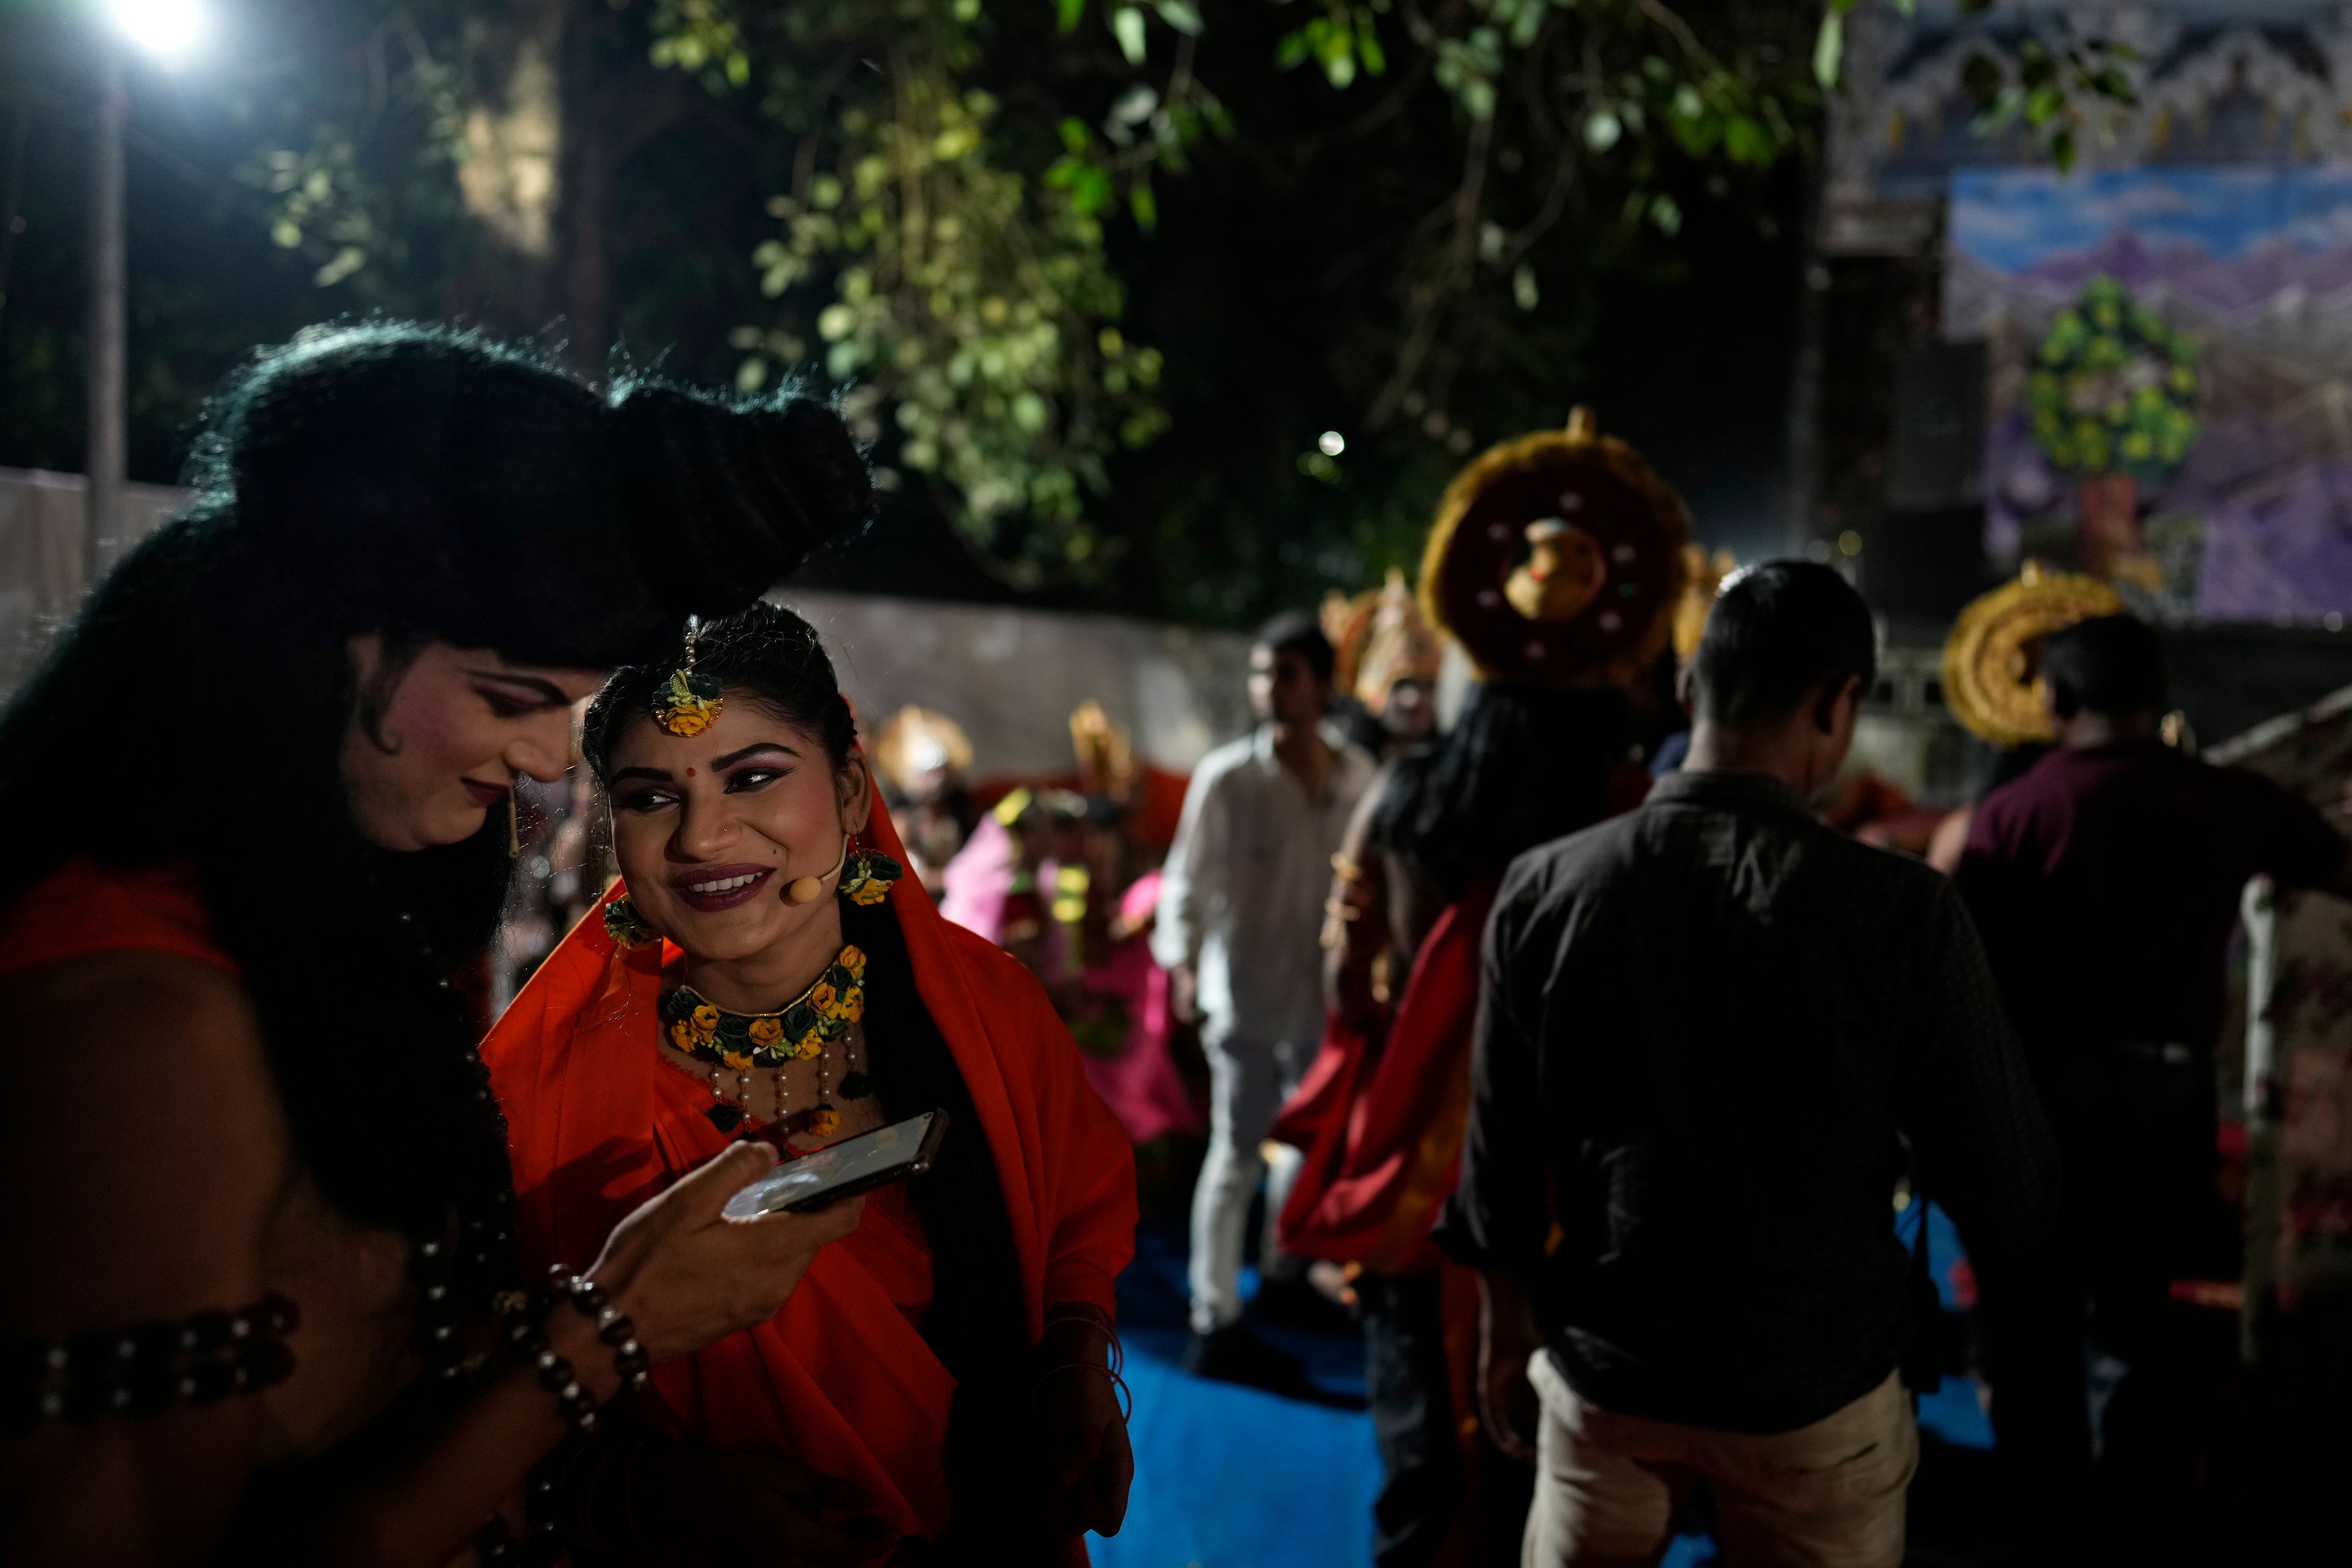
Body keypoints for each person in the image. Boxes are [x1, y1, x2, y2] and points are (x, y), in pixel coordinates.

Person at [0, 324, 875, 1564]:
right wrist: (612, 1326)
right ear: (327, 638)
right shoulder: (139, 1021)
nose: (536, 760)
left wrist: (624, 1496)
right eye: (511, 701)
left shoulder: (350, 895)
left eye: (561, 716)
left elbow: (382, 1378)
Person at [480, 603, 1137, 1561]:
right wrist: (640, 1497)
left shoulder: (984, 1005)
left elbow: (1079, 1193)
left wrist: (1075, 1360)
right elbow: (466, 1386)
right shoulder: (550, 1092)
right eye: (652, 797)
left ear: (851, 789)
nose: (703, 838)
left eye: (753, 779)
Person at [1441, 561, 2057, 1568]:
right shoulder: (1902, 910)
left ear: (1689, 692)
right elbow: (2010, 1190)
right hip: (1813, 1391)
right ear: (1838, 702)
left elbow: (1499, 1151)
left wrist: (1505, 1333)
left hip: (1606, 1372)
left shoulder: (1546, 885)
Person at [1953, 612, 2352, 1564]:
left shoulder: (2015, 815)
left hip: (2041, 1099)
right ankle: (2135, 1524)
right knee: (2139, 1322)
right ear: (2156, 695)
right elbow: (2334, 868)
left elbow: (1967, 976)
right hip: (2166, 1101)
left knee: (2032, 1322)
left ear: (2053, 699)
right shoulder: (2229, 801)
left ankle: (2040, 1529)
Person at [1153, 610, 1377, 1387]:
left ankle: (1283, 1274)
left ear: (1323, 685)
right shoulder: (1229, 777)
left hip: (1324, 999)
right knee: (1237, 1151)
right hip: (1244, 998)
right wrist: (1180, 966)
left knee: (1309, 1140)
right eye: (1260, 672)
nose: (1268, 688)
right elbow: (1186, 879)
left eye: (1284, 672)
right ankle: (1214, 1318)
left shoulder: (1358, 777)